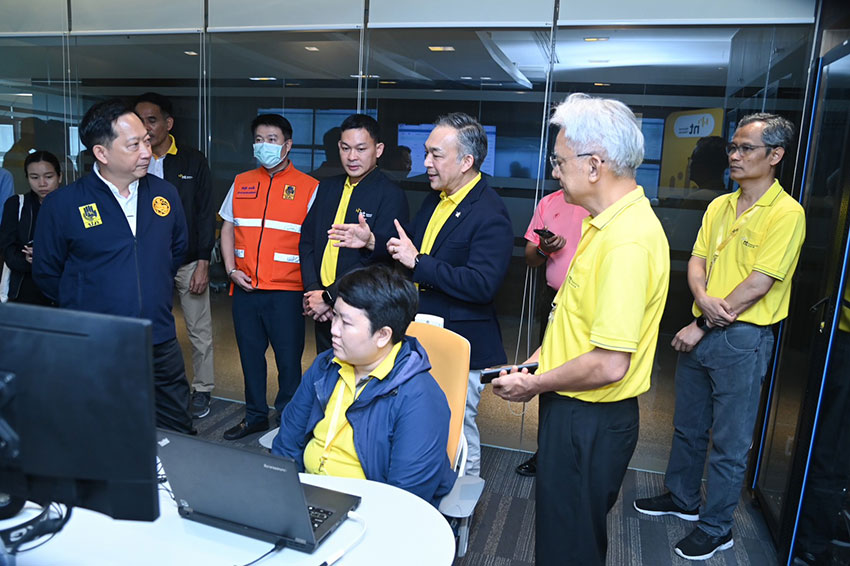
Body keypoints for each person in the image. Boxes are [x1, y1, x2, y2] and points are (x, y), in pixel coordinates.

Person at [492, 93, 670, 565]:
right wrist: (534, 364)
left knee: (569, 546)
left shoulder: (626, 241)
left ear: (594, 165)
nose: (555, 171)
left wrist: (534, 384)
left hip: (589, 416)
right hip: (574, 404)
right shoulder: (603, 224)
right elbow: (574, 321)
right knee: (563, 533)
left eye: (559, 160)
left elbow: (610, 364)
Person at [634, 113, 806, 561]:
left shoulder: (787, 213)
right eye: (733, 147)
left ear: (775, 155)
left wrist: (704, 321)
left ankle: (716, 528)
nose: (734, 155)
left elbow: (758, 284)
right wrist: (702, 300)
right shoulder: (720, 206)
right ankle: (682, 498)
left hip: (743, 338)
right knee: (688, 426)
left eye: (746, 148)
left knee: (729, 443)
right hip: (705, 327)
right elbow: (696, 261)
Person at [329, 112, 513, 477]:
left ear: (466, 161)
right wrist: (373, 241)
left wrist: (419, 263)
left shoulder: (490, 212)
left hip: (460, 342)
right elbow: (408, 247)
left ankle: (463, 497)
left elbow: (482, 284)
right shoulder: (436, 200)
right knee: (419, 422)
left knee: (457, 431)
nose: (426, 162)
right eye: (426, 153)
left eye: (435, 155)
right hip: (420, 335)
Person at [32, 99, 193, 434]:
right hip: (96, 343)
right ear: (101, 153)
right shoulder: (64, 204)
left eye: (147, 141)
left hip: (159, 337)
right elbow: (48, 273)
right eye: (134, 145)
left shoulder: (165, 194)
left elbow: (175, 251)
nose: (146, 152)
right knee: (100, 431)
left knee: (177, 428)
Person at [272, 265, 456, 506]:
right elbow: (288, 440)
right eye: (335, 315)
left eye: (346, 323)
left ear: (383, 335)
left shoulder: (420, 397)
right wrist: (286, 498)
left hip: (369, 510)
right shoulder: (326, 366)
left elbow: (405, 497)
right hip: (306, 496)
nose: (333, 330)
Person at [219, 113, 319, 440]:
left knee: (288, 360)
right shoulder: (241, 182)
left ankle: (289, 420)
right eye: (259, 140)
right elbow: (228, 228)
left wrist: (311, 289)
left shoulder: (309, 187)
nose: (264, 146)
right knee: (250, 357)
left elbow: (314, 243)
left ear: (287, 145)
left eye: (272, 140)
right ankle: (254, 416)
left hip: (287, 291)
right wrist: (231, 270)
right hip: (245, 287)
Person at [134, 92, 216, 419]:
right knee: (149, 326)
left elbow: (205, 213)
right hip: (147, 262)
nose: (145, 127)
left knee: (199, 329)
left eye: (152, 120)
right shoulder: (132, 160)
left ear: (168, 123)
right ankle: (151, 386)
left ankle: (203, 389)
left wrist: (204, 262)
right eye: (139, 121)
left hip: (189, 261)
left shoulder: (192, 160)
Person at [300, 114, 408, 355]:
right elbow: (307, 241)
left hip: (361, 308)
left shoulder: (391, 195)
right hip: (321, 308)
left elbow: (381, 260)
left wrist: (329, 296)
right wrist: (314, 291)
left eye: (361, 149)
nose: (352, 157)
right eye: (345, 148)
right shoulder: (327, 187)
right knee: (327, 369)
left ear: (378, 150)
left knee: (359, 372)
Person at [514, 189, 588, 477]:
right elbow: (530, 257)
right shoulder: (549, 202)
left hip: (588, 302)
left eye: (562, 166)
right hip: (553, 299)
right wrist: (545, 248)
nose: (557, 172)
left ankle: (577, 453)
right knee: (548, 375)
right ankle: (546, 451)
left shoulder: (601, 200)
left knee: (583, 377)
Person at [0, 151, 62, 305]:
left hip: (64, 290)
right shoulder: (16, 205)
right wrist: (28, 260)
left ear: (59, 177)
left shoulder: (73, 205)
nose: (42, 183)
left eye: (49, 177)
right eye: (34, 177)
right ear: (27, 178)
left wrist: (45, 257)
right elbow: (8, 251)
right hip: (24, 291)